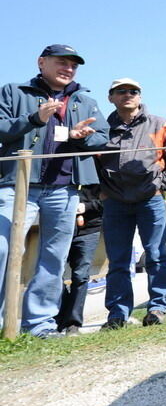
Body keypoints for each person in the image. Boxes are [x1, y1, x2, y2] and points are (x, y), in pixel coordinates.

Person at [0, 44, 108, 338]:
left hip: (65, 189)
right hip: (17, 185)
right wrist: (35, 119)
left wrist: (80, 138)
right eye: (61, 62)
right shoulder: (13, 91)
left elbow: (103, 139)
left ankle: (40, 325)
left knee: (54, 258)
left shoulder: (85, 101)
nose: (68, 69)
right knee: (3, 247)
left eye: (73, 65)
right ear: (41, 63)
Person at [96, 77, 166, 329]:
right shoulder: (101, 128)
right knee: (118, 260)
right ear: (111, 97)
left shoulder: (160, 124)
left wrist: (160, 185)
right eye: (121, 91)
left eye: (133, 91)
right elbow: (90, 163)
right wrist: (102, 192)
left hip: (150, 199)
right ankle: (117, 314)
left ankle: (158, 308)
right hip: (115, 202)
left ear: (140, 96)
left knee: (156, 255)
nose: (127, 95)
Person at [54, 184, 102, 335]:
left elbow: (109, 201)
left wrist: (86, 207)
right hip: (60, 228)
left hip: (89, 229)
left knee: (80, 276)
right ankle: (60, 317)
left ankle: (73, 324)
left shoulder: (97, 169)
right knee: (53, 274)